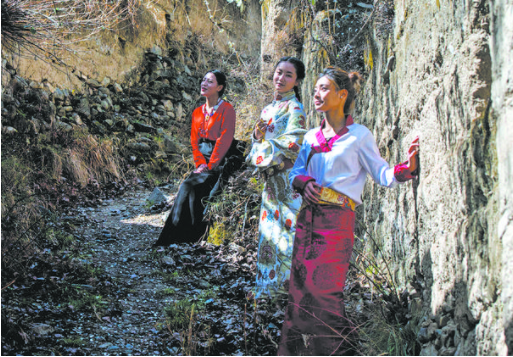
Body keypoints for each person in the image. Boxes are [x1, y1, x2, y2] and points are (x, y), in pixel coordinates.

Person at [278, 67, 420, 356]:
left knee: (325, 293)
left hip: (338, 222)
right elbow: (297, 170)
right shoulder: (310, 137)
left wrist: (407, 169)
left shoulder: (358, 136)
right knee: (300, 293)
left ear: (342, 95)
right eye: (315, 89)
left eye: (324, 88)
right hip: (308, 220)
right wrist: (303, 182)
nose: (317, 94)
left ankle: (341, 352)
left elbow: (381, 173)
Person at [155, 70, 243, 246]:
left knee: (196, 188)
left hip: (221, 157)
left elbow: (225, 140)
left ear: (219, 87)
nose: (204, 83)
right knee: (187, 186)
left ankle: (193, 236)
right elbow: (194, 142)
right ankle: (174, 237)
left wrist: (210, 165)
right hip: (203, 159)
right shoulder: (197, 112)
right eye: (203, 80)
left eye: (210, 81)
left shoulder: (227, 109)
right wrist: (200, 163)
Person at [247, 56, 308, 302]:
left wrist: (265, 151)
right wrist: (257, 136)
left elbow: (295, 141)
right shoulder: (267, 109)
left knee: (287, 233)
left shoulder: (295, 109)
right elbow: (257, 145)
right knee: (268, 233)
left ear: (297, 81)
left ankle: (284, 292)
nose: (280, 79)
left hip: (287, 180)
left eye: (288, 75)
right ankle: (265, 289)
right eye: (278, 72)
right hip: (270, 181)